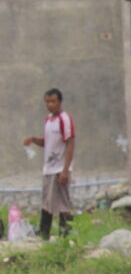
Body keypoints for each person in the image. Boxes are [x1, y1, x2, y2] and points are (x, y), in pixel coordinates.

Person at [22, 88, 75, 239]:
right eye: (47, 102)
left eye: (53, 101)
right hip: (48, 168)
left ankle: (66, 235)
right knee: (46, 201)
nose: (50, 105)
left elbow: (70, 143)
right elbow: (47, 142)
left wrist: (65, 170)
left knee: (63, 202)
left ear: (60, 102)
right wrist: (33, 140)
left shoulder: (65, 119)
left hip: (60, 168)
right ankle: (44, 233)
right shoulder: (48, 120)